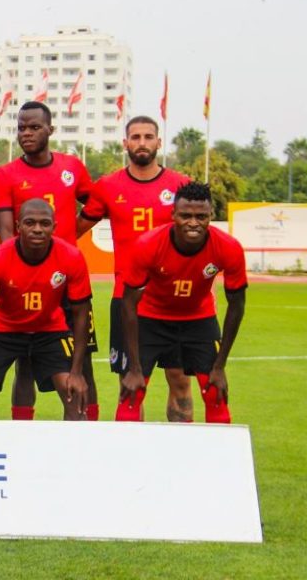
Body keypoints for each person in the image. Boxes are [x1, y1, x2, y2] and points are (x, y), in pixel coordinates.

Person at [76, 115, 192, 422]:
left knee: (180, 380)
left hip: (174, 300)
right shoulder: (107, 186)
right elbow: (73, 231)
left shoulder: (181, 185)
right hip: (127, 299)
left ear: (158, 142)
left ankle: (182, 447)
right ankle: (130, 450)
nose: (142, 143)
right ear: (125, 143)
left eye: (148, 137)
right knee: (130, 386)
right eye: (136, 137)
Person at [0, 100, 99, 421]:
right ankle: (22, 430)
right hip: (27, 283)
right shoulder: (6, 175)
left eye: (34, 127)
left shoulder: (72, 167)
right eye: (21, 128)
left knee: (83, 363)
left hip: (67, 281)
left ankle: (90, 432)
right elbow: (6, 231)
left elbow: (95, 204)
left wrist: (72, 234)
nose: (26, 133)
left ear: (50, 129)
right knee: (25, 362)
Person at [120, 182, 247, 423]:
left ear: (211, 215)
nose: (193, 222)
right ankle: (126, 447)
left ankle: (210, 449)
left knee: (215, 392)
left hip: (199, 319)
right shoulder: (148, 244)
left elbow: (237, 306)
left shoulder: (229, 248)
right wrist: (135, 368)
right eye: (185, 215)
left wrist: (219, 366)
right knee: (132, 392)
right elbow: (128, 303)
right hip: (151, 318)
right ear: (173, 215)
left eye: (201, 216)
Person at [0, 199, 91, 421]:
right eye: (30, 222)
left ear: (54, 227)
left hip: (50, 329)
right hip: (4, 330)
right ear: (18, 226)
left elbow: (82, 313)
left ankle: (74, 443)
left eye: (44, 223)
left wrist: (77, 372)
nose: (37, 229)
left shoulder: (71, 256)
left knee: (74, 392)